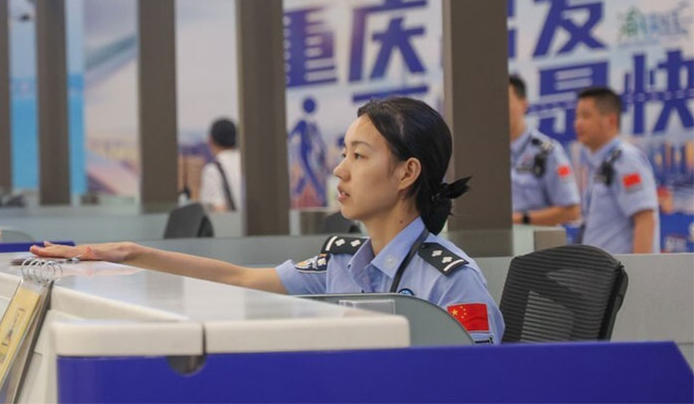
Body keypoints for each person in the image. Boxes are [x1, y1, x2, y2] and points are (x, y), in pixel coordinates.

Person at [34, 97, 504, 344]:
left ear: (407, 172)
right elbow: (236, 277)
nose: (340, 170)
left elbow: (483, 387)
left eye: (359, 156)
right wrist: (130, 255)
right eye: (343, 154)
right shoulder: (341, 266)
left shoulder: (451, 282)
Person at [574, 87, 659, 254]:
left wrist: (640, 275)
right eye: (576, 116)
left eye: (585, 116)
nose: (578, 123)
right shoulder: (598, 164)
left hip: (624, 277)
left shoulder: (626, 160)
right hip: (601, 276)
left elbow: (644, 219)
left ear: (610, 120)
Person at [508, 74, 580, 225]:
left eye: (505, 101)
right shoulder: (485, 155)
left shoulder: (547, 151)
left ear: (524, 104)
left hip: (537, 243)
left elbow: (571, 210)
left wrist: (522, 219)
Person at [200, 118, 243, 213]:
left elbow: (218, 210)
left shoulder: (213, 170)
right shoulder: (247, 164)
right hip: (257, 225)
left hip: (230, 226)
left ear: (210, 141)